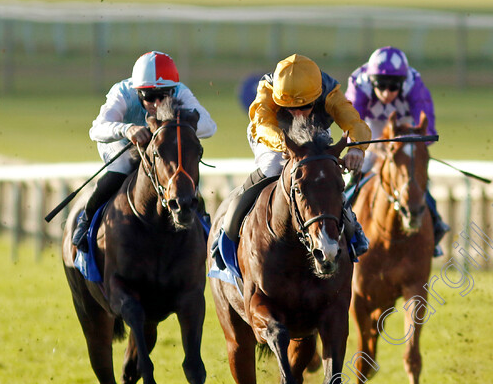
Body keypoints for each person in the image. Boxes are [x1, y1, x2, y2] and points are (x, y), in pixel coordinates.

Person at [219, 53, 372, 259]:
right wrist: (285, 145)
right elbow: (263, 125)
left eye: (305, 106)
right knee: (273, 167)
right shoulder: (268, 89)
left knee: (325, 173)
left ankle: (351, 227)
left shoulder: (330, 92)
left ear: (317, 96)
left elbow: (355, 123)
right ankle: (229, 230)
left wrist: (356, 149)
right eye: (290, 108)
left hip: (313, 132)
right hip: (274, 134)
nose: (298, 114)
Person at [73, 50, 217, 251]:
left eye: (163, 96)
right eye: (150, 97)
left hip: (161, 149)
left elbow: (210, 126)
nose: (157, 104)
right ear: (138, 92)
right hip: (123, 144)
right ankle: (86, 222)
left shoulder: (181, 92)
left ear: (172, 91)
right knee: (121, 170)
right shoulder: (123, 92)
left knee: (181, 177)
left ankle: (203, 225)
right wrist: (126, 129)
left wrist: (170, 128)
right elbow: (96, 129)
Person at [344, 46, 450, 256]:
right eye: (381, 85)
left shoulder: (414, 83)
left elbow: (426, 127)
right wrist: (369, 146)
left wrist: (404, 147)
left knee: (411, 172)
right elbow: (353, 123)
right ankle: (343, 214)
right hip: (369, 126)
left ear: (403, 83)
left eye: (394, 86)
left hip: (404, 127)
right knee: (359, 166)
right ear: (371, 80)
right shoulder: (359, 82)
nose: (387, 92)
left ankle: (435, 224)